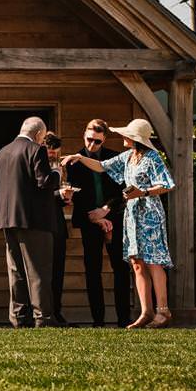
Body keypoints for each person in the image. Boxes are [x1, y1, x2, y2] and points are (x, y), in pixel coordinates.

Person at [62, 118, 176, 328]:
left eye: (127, 135)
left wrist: (145, 192)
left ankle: (163, 311)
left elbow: (167, 184)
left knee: (152, 262)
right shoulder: (128, 157)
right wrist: (78, 157)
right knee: (137, 263)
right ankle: (146, 313)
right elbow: (101, 166)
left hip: (149, 215)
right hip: (132, 216)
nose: (123, 137)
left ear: (135, 138)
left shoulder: (152, 157)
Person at [0, 117, 61, 328]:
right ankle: (43, 317)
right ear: (39, 134)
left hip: (7, 219)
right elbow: (44, 181)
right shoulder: (35, 150)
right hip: (34, 220)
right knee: (38, 271)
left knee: (16, 271)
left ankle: (19, 317)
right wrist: (57, 173)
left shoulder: (1, 153)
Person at [66, 118, 131, 328]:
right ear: (84, 135)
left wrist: (106, 211)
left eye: (97, 142)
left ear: (104, 140)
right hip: (89, 220)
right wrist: (94, 217)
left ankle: (123, 319)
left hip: (114, 218)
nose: (91, 145)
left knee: (120, 268)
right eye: (89, 140)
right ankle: (98, 321)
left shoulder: (115, 158)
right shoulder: (75, 160)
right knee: (92, 269)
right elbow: (76, 193)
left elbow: (123, 190)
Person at [42, 132, 73, 326]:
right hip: (42, 226)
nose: (53, 155)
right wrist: (57, 195)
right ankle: (44, 313)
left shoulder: (60, 168)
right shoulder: (37, 166)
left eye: (55, 152)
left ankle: (57, 310)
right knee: (43, 273)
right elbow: (39, 195)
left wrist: (64, 199)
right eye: (50, 151)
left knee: (58, 272)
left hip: (58, 226)